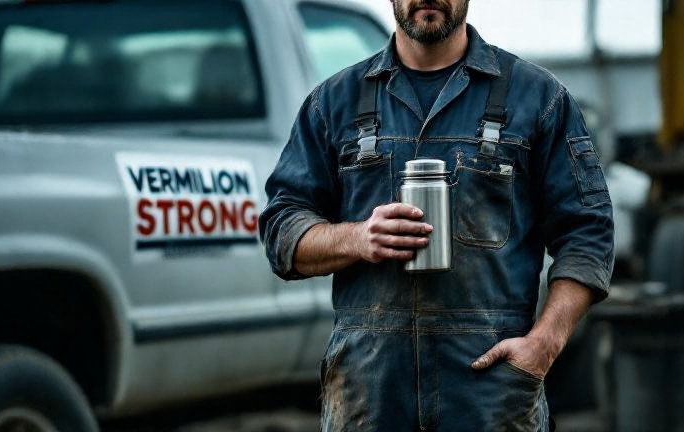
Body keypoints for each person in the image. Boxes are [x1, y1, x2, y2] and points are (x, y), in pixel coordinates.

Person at [259, 0, 614, 430]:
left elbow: (587, 233)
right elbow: (282, 231)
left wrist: (543, 345)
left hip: (491, 395)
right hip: (369, 397)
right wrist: (358, 238)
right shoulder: (334, 103)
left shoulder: (536, 98)